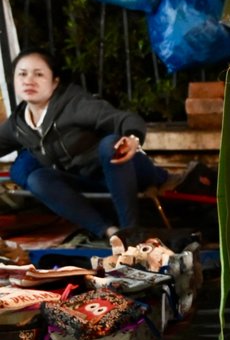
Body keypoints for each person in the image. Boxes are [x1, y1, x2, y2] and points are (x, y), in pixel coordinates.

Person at [0, 48, 170, 242]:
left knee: (110, 145)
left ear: (55, 82)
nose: (28, 80)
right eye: (22, 74)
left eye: (39, 74)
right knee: (37, 179)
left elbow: (124, 119)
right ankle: (111, 232)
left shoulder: (75, 104)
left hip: (128, 171)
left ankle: (131, 233)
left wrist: (133, 138)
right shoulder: (19, 124)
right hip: (87, 181)